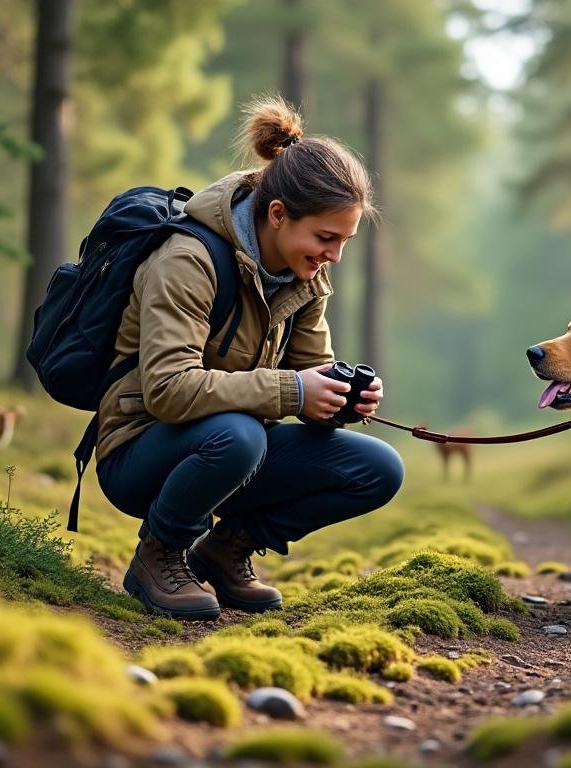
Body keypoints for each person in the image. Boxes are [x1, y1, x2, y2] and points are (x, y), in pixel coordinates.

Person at [94, 96, 405, 620]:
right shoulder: (188, 259)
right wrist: (294, 392)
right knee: (239, 434)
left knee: (377, 468)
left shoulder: (307, 275)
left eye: (344, 240)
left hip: (235, 447)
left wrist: (342, 398)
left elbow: (308, 376)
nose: (335, 255)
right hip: (142, 452)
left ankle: (226, 548)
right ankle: (160, 554)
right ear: (278, 215)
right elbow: (169, 390)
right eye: (326, 238)